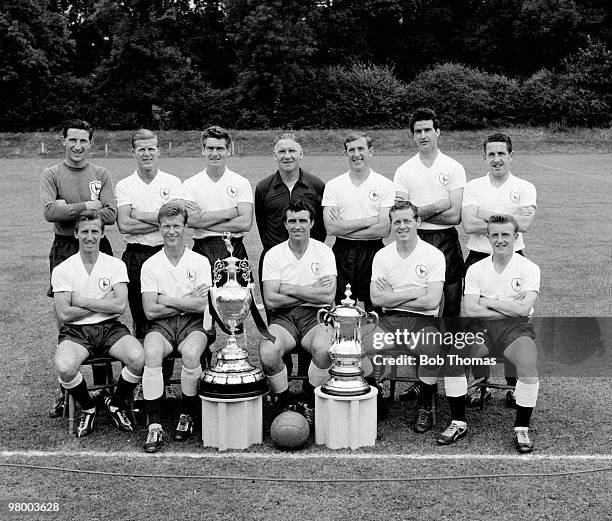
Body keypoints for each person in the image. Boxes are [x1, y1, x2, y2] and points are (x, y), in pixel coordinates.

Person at [438, 214, 540, 453]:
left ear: (516, 237)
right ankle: (458, 422)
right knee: (454, 359)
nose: (500, 239)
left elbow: (523, 309)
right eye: (495, 235)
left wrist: (488, 302)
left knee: (527, 364)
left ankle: (521, 428)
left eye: (506, 234)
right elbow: (472, 309)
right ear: (488, 237)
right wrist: (508, 306)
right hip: (480, 329)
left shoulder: (529, 268)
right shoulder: (475, 269)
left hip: (516, 330)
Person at [41, 119, 117, 417]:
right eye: (72, 140)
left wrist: (68, 207)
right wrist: (88, 205)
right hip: (63, 247)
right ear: (63, 141)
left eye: (83, 141)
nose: (77, 146)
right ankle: (68, 391)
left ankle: (105, 390)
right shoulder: (51, 173)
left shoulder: (101, 173)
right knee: (65, 318)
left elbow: (109, 213)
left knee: (103, 311)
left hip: (98, 245)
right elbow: (50, 212)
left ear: (90, 143)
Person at [52, 210, 143, 437]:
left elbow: (119, 305)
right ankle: (88, 407)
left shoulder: (115, 265)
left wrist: (81, 301)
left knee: (138, 358)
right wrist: (103, 303)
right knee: (64, 367)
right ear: (75, 234)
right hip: (76, 333)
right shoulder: (63, 269)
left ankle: (116, 404)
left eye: (95, 231)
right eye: (84, 232)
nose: (89, 237)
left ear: (102, 234)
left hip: (110, 328)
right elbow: (64, 314)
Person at [462, 132, 537, 405]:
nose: (496, 159)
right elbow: (468, 224)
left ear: (511, 156)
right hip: (477, 257)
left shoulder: (525, 187)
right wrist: (508, 221)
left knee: (513, 321)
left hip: (512, 256)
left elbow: (525, 226)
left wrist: (485, 216)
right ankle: (482, 386)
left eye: (501, 153)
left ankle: (513, 388)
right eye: (491, 154)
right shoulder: (473, 186)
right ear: (484, 157)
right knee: (477, 319)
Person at [366, 201, 446, 432]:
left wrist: (393, 295)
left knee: (431, 348)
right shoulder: (382, 255)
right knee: (359, 346)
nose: (402, 226)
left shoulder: (434, 255)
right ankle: (375, 395)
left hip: (423, 321)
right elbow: (377, 300)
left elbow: (431, 301)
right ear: (391, 225)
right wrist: (414, 292)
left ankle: (424, 406)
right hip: (389, 321)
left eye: (407, 221)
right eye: (397, 222)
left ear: (418, 222)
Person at [140, 202, 214, 453]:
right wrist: (186, 301)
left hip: (194, 324)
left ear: (185, 228)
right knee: (150, 354)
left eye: (176, 226)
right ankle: (154, 425)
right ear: (159, 229)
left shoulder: (201, 261)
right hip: (160, 325)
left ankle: (187, 414)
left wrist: (167, 299)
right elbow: (150, 310)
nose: (171, 231)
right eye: (166, 226)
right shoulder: (150, 264)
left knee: (192, 354)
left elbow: (203, 305)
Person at [259, 199, 336, 423]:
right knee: (267, 351)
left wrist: (290, 288)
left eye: (303, 220)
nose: (297, 226)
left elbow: (327, 296)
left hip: (317, 316)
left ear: (312, 223)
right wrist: (311, 290)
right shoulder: (274, 254)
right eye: (292, 221)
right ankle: (283, 402)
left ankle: (308, 401)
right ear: (285, 224)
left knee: (325, 348)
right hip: (283, 318)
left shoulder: (323, 252)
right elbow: (271, 299)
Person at [393, 108, 465, 318]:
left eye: (427, 130)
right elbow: (400, 214)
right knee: (417, 296)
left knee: (451, 298)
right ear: (413, 135)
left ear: (438, 132)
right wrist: (437, 205)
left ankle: (450, 346)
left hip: (446, 238)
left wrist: (414, 213)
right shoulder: (404, 170)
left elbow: (455, 216)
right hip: (417, 237)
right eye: (418, 132)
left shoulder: (454, 167)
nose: (423, 136)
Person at [115, 129, 184, 340]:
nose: (147, 154)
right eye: (141, 149)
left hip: (167, 254)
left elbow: (176, 220)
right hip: (136, 255)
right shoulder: (125, 185)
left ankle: (165, 362)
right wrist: (161, 220)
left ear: (159, 151)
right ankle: (145, 363)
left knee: (167, 307)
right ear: (133, 152)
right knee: (141, 314)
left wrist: (138, 214)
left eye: (151, 149)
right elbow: (125, 225)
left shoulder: (172, 182)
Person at [322, 132, 394, 311]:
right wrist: (370, 220)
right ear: (345, 153)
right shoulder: (334, 185)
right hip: (342, 251)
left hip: (374, 250)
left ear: (371, 151)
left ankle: (371, 338)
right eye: (351, 150)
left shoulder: (385, 185)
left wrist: (343, 227)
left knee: (375, 306)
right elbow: (331, 228)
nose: (356, 154)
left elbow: (384, 229)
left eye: (361, 149)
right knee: (342, 308)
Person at [255, 133, 326, 287]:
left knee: (311, 307)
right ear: (274, 155)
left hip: (309, 260)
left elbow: (321, 227)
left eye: (292, 151)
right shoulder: (263, 188)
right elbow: (262, 224)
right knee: (275, 306)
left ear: (301, 154)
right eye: (282, 152)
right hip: (274, 262)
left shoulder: (316, 185)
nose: (287, 156)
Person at [182, 125, 253, 277]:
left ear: (228, 150)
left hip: (235, 247)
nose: (215, 153)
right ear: (203, 150)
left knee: (239, 298)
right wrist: (231, 213)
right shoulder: (190, 184)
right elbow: (191, 221)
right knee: (203, 299)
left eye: (220, 148)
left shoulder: (241, 182)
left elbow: (246, 223)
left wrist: (205, 220)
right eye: (210, 148)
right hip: (202, 248)